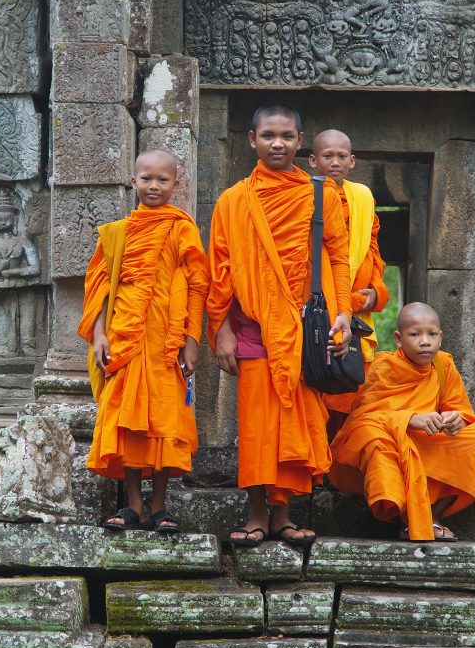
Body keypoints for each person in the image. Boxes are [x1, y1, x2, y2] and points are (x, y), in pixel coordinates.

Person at [207, 105, 352, 547]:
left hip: (304, 329)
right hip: (250, 326)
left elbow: (341, 257)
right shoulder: (233, 200)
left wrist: (343, 313)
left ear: (300, 140)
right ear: (251, 140)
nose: (277, 143)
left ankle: (284, 515)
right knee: (255, 425)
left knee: (293, 421)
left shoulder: (320, 194)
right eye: (268, 135)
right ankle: (255, 513)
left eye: (287, 136)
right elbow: (220, 269)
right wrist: (220, 330)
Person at [79, 149, 208, 534]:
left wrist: (192, 339)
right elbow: (100, 289)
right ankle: (133, 505)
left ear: (176, 184)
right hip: (125, 341)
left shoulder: (181, 227)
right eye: (146, 179)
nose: (154, 186)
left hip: (166, 344)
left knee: (166, 423)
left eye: (162, 180)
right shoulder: (118, 233)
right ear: (132, 181)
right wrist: (99, 334)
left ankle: (160, 506)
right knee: (127, 423)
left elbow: (198, 286)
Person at [329, 302, 475, 541]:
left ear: (440, 337)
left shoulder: (443, 365)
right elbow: (363, 417)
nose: (424, 341)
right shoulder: (384, 367)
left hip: (427, 444)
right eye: (415, 334)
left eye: (431, 334)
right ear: (399, 339)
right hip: (395, 444)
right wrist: (409, 419)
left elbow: (458, 407)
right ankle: (408, 516)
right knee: (371, 436)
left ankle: (431, 515)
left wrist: (456, 419)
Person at [307, 130, 389, 431]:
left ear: (352, 161)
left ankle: (340, 467)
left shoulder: (363, 198)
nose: (335, 162)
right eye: (328, 156)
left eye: (342, 156)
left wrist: (376, 293)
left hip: (354, 309)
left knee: (350, 386)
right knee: (314, 384)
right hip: (316, 304)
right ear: (313, 161)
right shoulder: (303, 195)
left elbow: (373, 252)